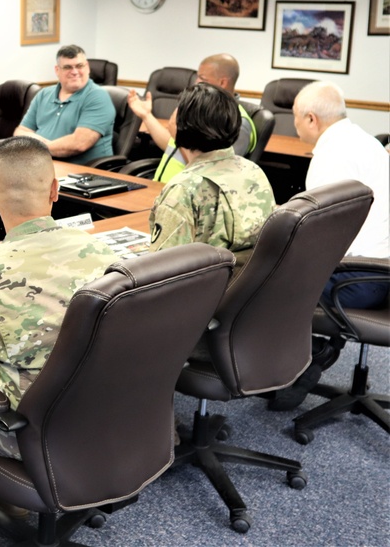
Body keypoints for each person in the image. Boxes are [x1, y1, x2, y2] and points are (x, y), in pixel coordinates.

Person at [0, 137, 117, 546]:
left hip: (25, 437)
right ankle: (4, 494)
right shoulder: (105, 254)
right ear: (55, 190)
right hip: (112, 417)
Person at [269, 81, 390, 410]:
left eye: (293, 117)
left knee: (262, 280)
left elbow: (315, 233)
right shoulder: (365, 141)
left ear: (311, 119)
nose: (292, 124)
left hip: (354, 280)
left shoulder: (331, 156)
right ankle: (316, 346)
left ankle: (304, 356)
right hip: (378, 272)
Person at [147, 83, 275, 271]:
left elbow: (160, 271)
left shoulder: (183, 189)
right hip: (248, 291)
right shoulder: (253, 171)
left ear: (183, 125)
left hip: (202, 295)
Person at [128, 54, 257, 182]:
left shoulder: (237, 122)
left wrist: (178, 138)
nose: (196, 82)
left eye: (202, 78)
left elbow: (214, 173)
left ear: (222, 82)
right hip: (163, 189)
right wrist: (146, 115)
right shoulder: (196, 109)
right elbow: (171, 144)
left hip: (189, 196)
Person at [14, 45, 115, 164]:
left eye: (79, 66)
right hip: (42, 164)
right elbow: (20, 132)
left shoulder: (97, 96)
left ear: (87, 67)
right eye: (68, 67)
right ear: (57, 70)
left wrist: (38, 146)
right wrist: (45, 147)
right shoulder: (44, 94)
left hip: (84, 173)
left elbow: (79, 143)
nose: (75, 72)